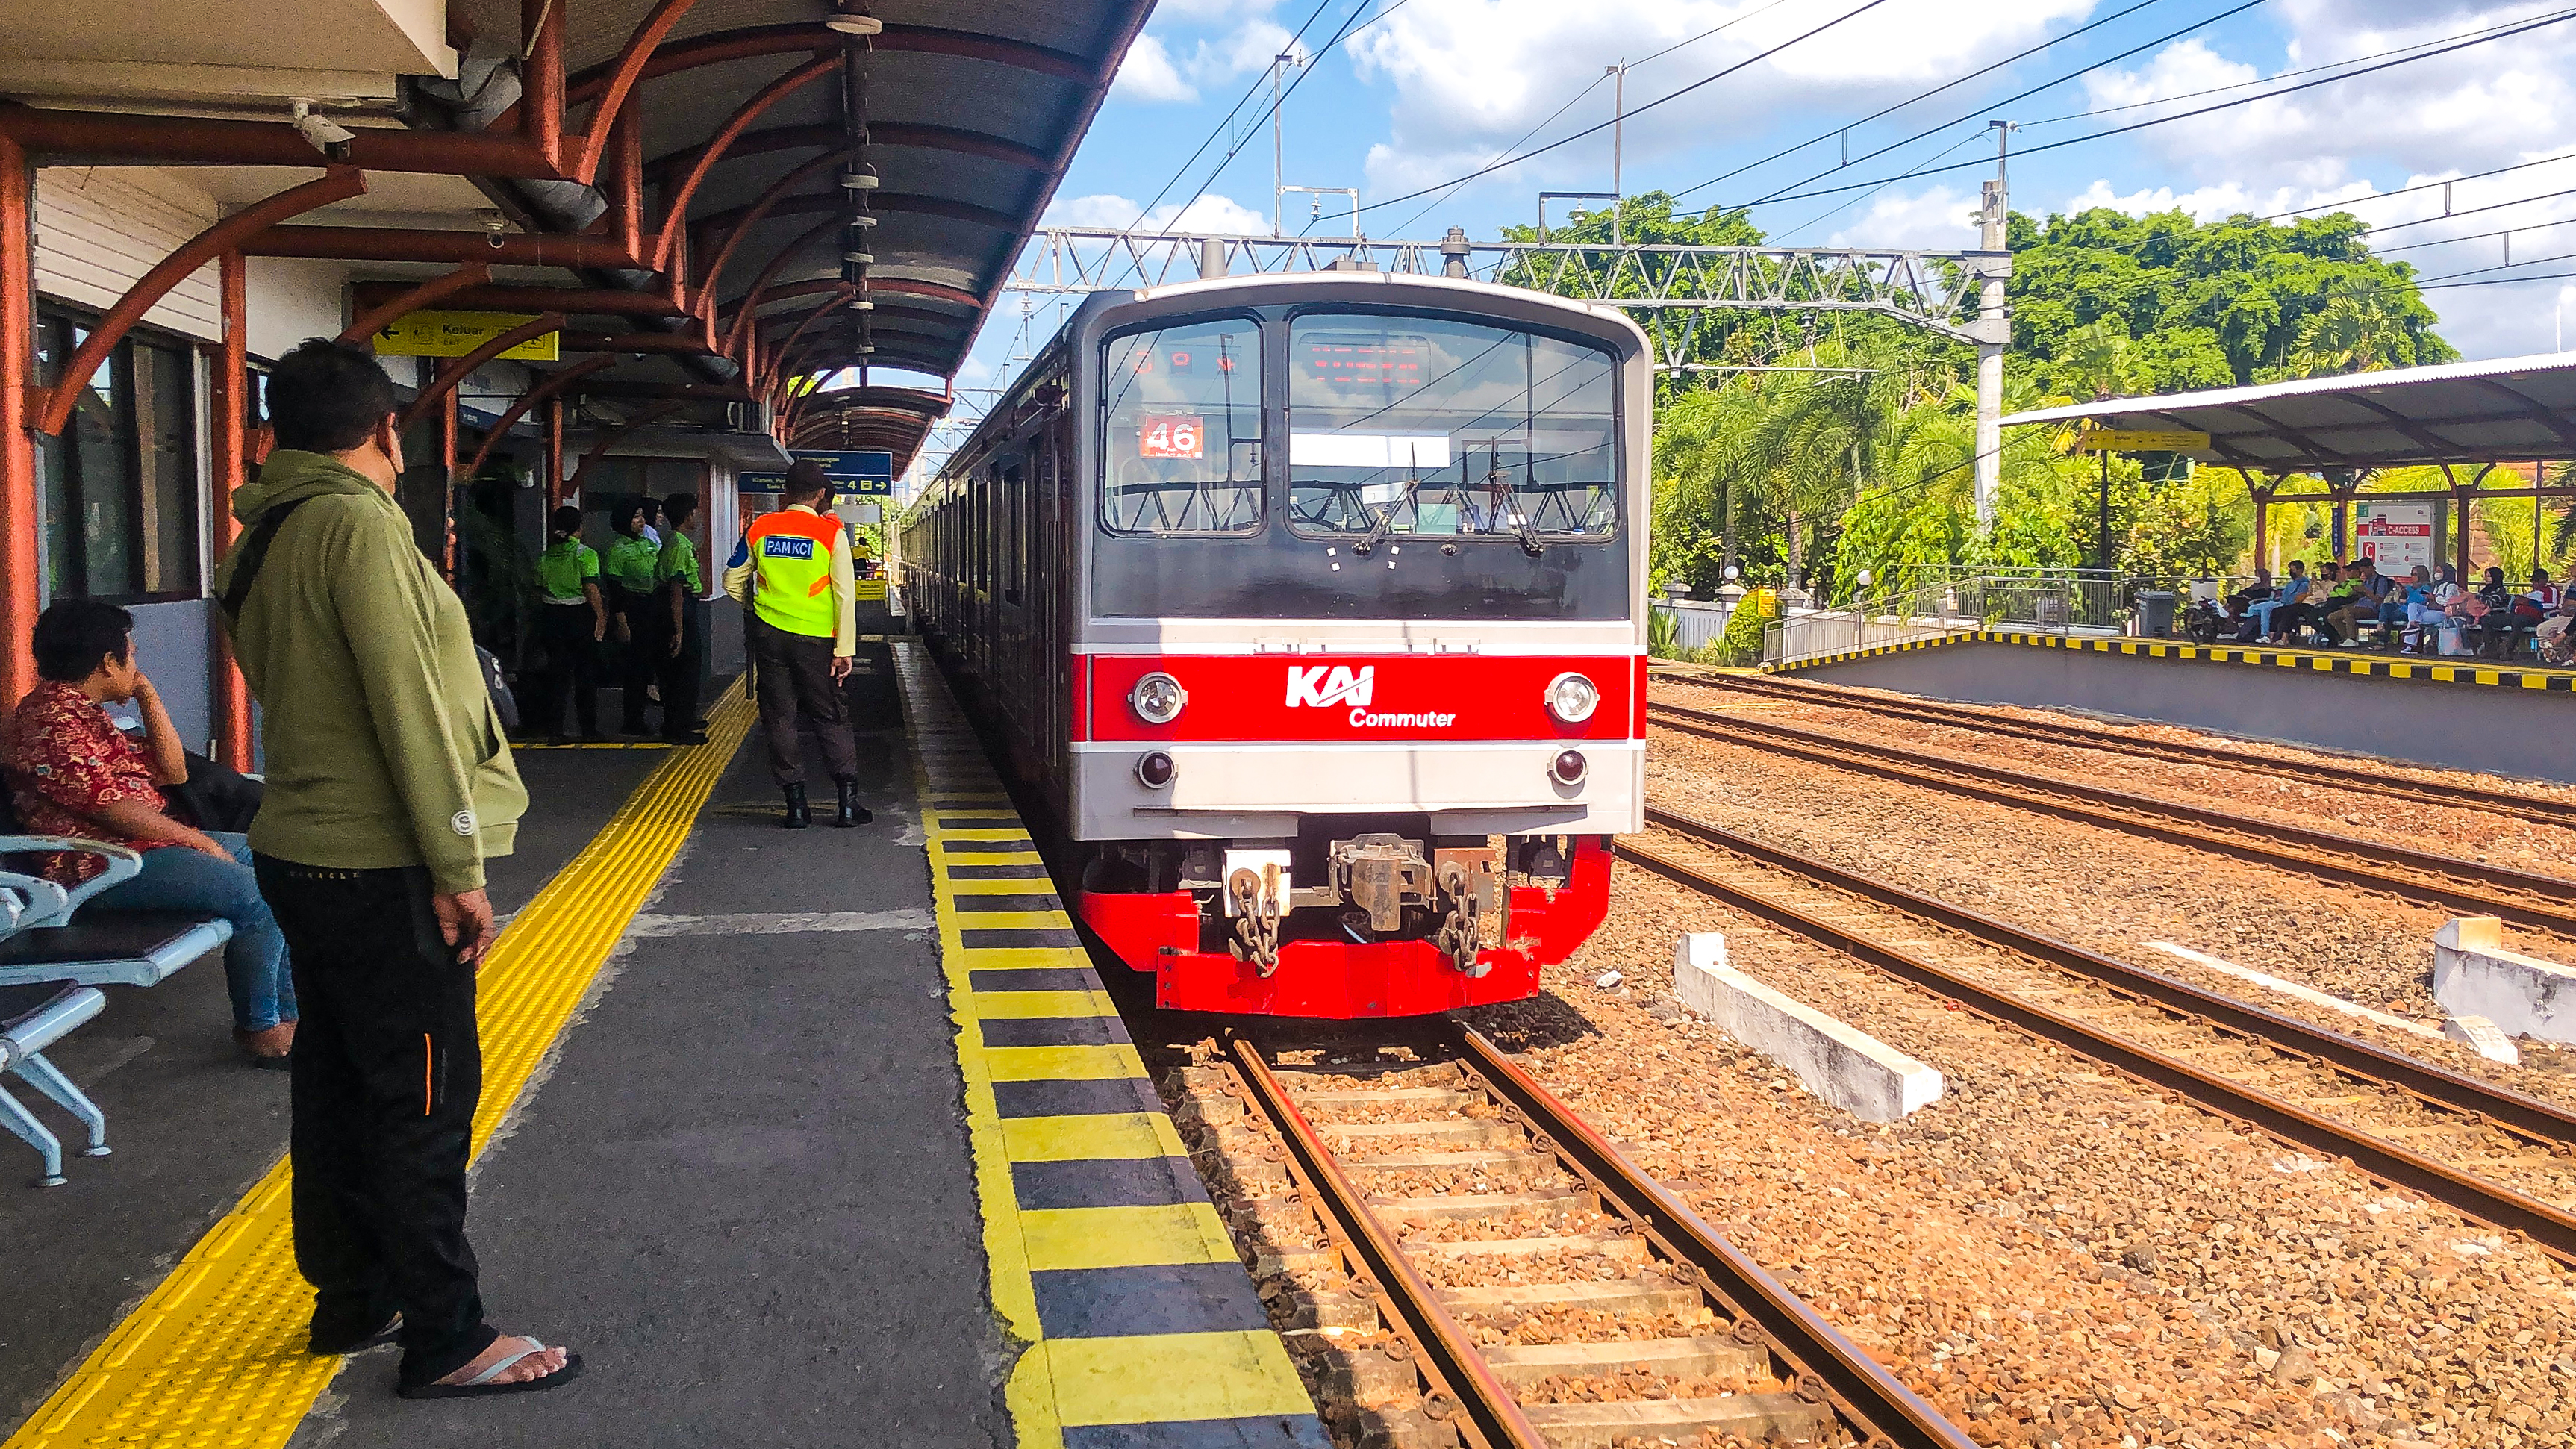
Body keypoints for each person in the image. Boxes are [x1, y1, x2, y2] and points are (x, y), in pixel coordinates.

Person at [213, 338, 575, 1398]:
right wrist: (457, 865)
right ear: (386, 431)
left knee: (333, 1083)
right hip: (378, 864)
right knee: (422, 1093)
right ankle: (448, 1335)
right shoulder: (360, 528)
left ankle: (353, 1294)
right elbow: (409, 706)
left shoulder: (266, 526)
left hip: (300, 851)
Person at [3, 601, 296, 1065]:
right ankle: (261, 1027)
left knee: (281, 863)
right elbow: (117, 812)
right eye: (132, 656)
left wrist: (146, 694)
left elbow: (173, 771)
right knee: (252, 894)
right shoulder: (50, 724)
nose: (137, 665)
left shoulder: (87, 715)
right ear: (107, 662)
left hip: (143, 851)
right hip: (102, 866)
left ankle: (289, 1017)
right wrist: (203, 842)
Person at [723, 461, 866, 828]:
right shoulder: (830, 534)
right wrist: (843, 649)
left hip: (770, 635)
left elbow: (732, 579)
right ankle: (847, 805)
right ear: (820, 495)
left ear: (784, 492)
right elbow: (845, 595)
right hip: (816, 639)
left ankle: (796, 807)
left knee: (780, 717)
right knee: (830, 715)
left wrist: (758, 608)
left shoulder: (760, 528)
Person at [531, 506, 606, 744]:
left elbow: (538, 588)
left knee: (557, 675)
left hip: (552, 614)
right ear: (579, 529)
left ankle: (555, 730)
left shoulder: (545, 557)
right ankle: (589, 729)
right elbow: (591, 588)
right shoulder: (586, 554)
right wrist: (601, 617)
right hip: (580, 615)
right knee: (586, 674)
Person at [654, 491, 709, 746]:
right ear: (687, 516)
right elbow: (676, 589)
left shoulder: (680, 543)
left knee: (687, 669)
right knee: (682, 670)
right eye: (694, 512)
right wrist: (678, 628)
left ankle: (683, 719)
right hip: (680, 608)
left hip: (684, 605)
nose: (696, 516)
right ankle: (676, 726)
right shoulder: (677, 546)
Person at [602, 501, 661, 736]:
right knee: (634, 669)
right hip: (631, 608)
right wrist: (622, 622)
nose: (641, 521)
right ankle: (632, 720)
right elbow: (614, 590)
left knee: (648, 665)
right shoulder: (618, 550)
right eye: (636, 517)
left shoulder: (648, 543)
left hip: (651, 607)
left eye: (641, 516)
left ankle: (643, 716)